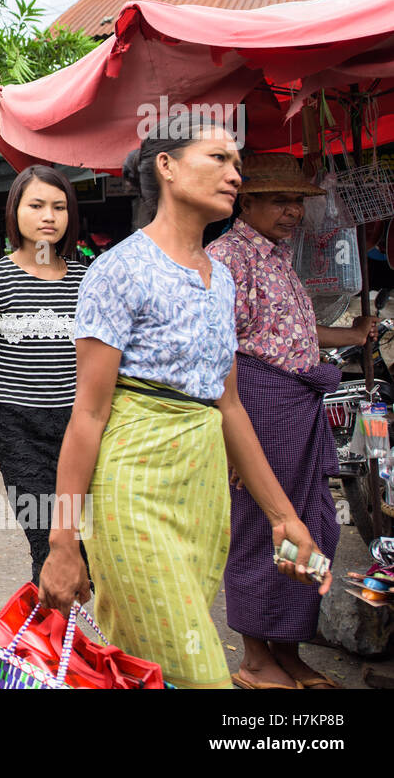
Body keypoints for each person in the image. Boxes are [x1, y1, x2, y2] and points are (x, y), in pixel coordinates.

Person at [39, 111, 334, 689]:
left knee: (156, 666)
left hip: (203, 493)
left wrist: (284, 518)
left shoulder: (219, 279)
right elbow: (89, 414)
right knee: (197, 671)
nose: (234, 175)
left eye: (237, 164)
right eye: (219, 159)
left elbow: (228, 407)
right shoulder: (118, 270)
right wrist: (62, 541)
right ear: (167, 167)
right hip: (134, 483)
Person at [206, 153, 373, 689]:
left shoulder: (277, 257)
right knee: (259, 531)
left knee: (313, 530)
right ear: (245, 202)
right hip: (258, 408)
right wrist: (230, 444)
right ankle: (256, 659)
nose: (293, 212)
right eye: (280, 200)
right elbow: (218, 354)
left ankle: (289, 650)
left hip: (299, 408)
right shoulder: (226, 258)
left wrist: (352, 336)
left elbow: (293, 332)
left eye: (298, 201)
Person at [0, 165, 86, 583]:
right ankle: (52, 642)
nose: (48, 216)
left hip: (81, 427)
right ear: (16, 210)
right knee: (47, 539)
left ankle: (79, 641)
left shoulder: (88, 280)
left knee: (84, 541)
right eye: (36, 205)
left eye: (59, 206)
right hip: (19, 429)